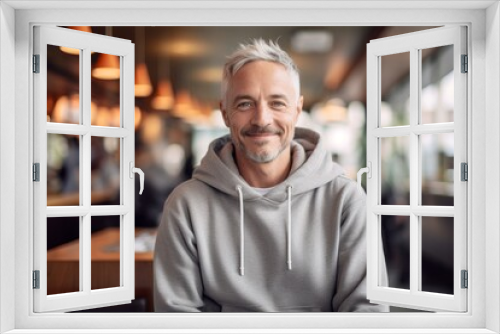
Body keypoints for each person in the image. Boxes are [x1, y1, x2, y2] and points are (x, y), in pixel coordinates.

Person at [154, 39, 388, 312]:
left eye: (277, 103)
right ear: (225, 113)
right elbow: (177, 319)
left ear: (297, 110)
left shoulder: (346, 200)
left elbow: (367, 316)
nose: (262, 119)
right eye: (244, 104)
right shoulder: (186, 205)